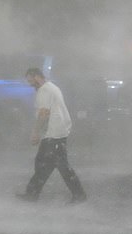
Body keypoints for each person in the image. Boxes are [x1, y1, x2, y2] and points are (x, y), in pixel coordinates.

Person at [16, 67, 87, 204]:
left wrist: (35, 132)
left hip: (54, 134)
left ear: (37, 76)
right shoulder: (52, 87)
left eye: (31, 81)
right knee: (44, 164)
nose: (31, 85)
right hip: (57, 132)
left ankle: (79, 196)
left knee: (60, 167)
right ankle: (32, 193)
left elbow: (44, 113)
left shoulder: (44, 90)